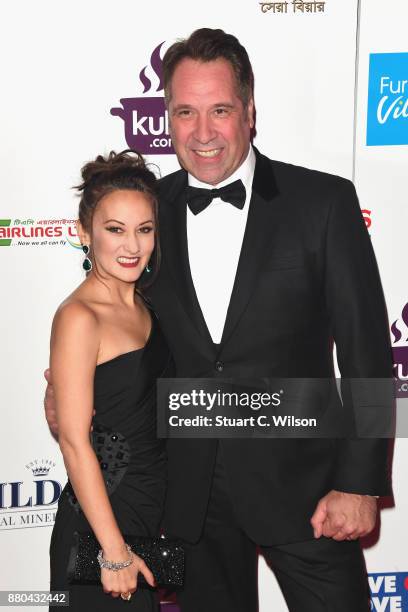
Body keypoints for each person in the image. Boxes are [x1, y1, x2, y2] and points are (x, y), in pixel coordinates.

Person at [45, 29, 393, 612]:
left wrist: (360, 482)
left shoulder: (324, 203)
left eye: (220, 111)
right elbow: (108, 320)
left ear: (250, 112)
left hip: (307, 488)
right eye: (185, 112)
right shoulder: (146, 212)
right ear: (167, 118)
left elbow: (369, 355)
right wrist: (69, 391)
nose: (203, 134)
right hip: (188, 501)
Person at [48, 150, 173, 611]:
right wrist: (114, 552)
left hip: (145, 514)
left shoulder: (146, 303)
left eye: (144, 229)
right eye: (114, 229)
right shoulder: (79, 317)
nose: (132, 246)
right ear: (85, 233)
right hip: (100, 531)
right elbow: (75, 443)